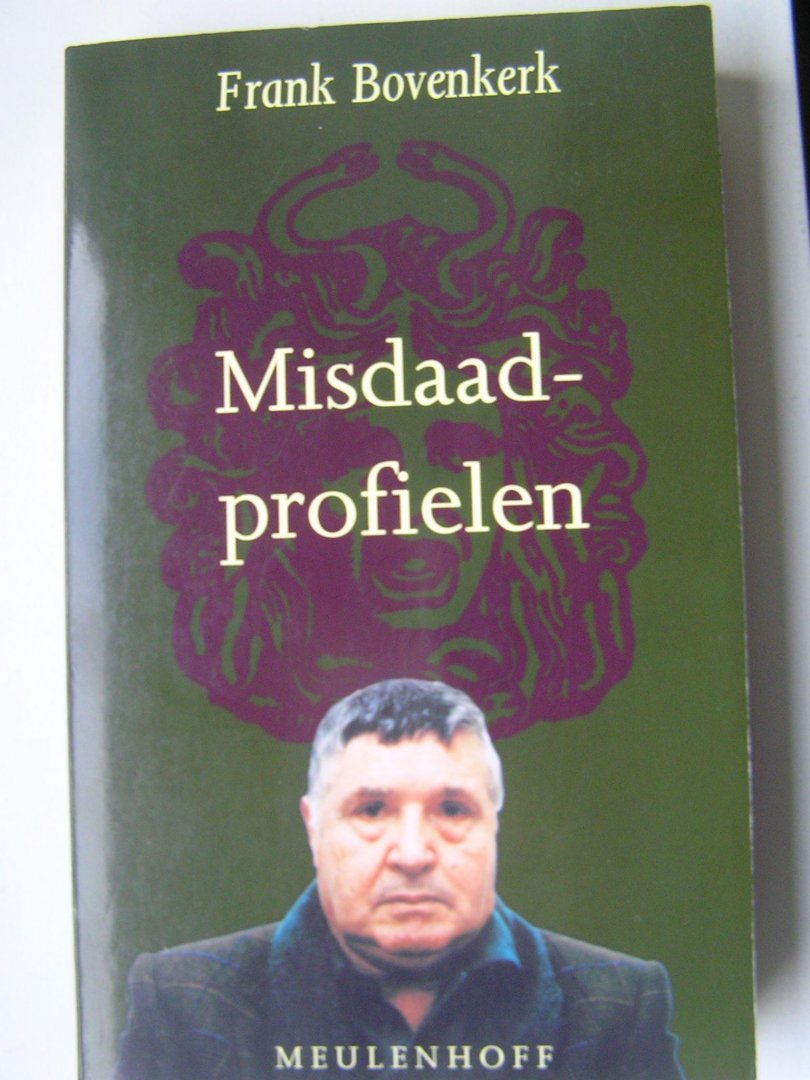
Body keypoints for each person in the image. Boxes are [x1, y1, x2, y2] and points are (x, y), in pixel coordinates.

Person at [116, 679, 686, 1079]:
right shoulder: (183, 1002)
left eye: (452, 810)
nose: (413, 854)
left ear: (495, 824)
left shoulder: (618, 1006)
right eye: (372, 811)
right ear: (314, 829)